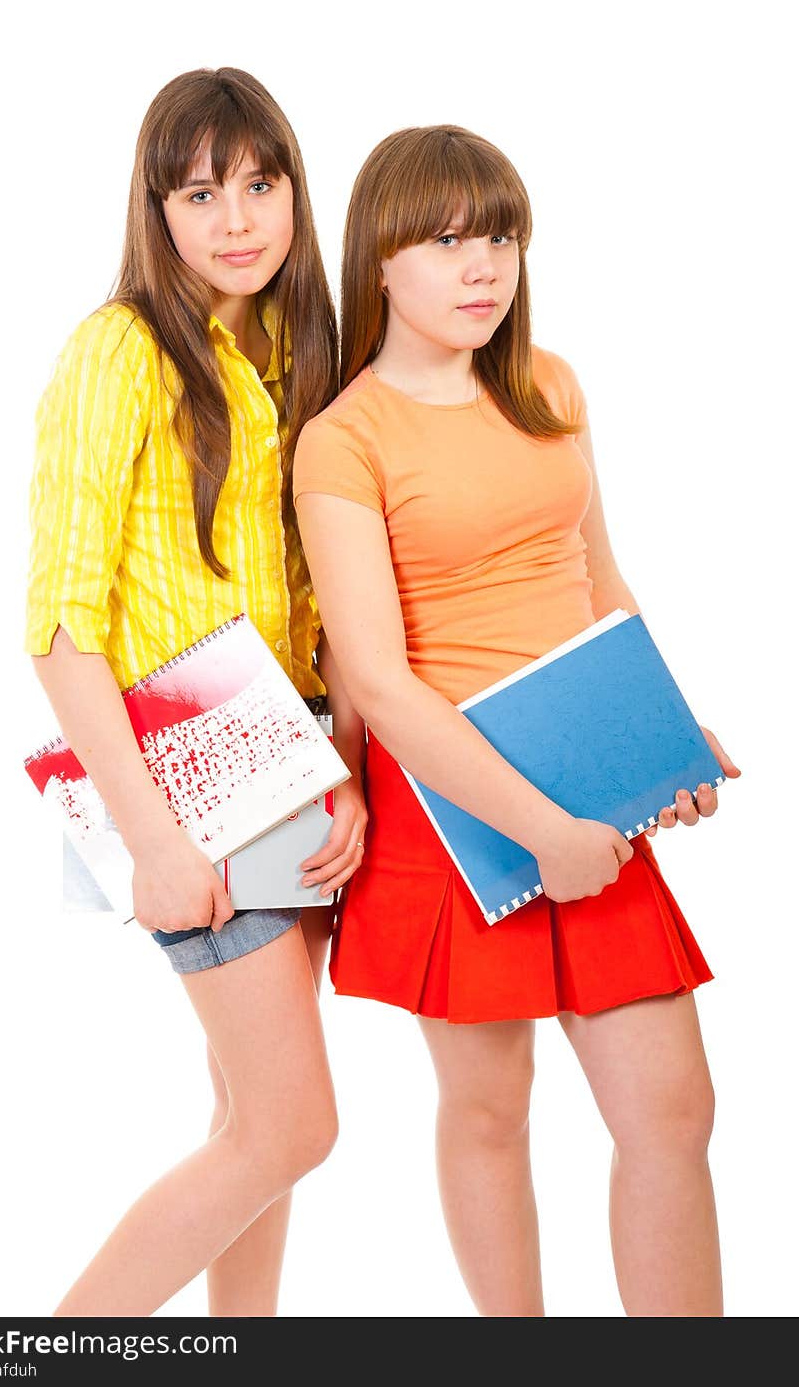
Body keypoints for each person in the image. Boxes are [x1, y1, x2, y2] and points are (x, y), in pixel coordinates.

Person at [293, 124, 740, 1317]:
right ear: (379, 259)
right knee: (490, 1113)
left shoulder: (547, 384)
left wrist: (670, 737)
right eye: (446, 241)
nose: (483, 266)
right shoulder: (343, 441)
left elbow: (601, 583)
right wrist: (538, 826)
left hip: (592, 794)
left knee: (672, 1111)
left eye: (500, 237)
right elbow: (379, 684)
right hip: (461, 819)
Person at [25, 67, 367, 1317]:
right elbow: (61, 626)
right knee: (290, 1129)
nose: (237, 217)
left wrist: (346, 779)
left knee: (248, 1126)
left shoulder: (282, 350)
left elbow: (311, 608)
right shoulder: (118, 349)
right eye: (201, 189)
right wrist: (158, 844)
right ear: (155, 206)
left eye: (261, 183)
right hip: (178, 773)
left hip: (285, 764)